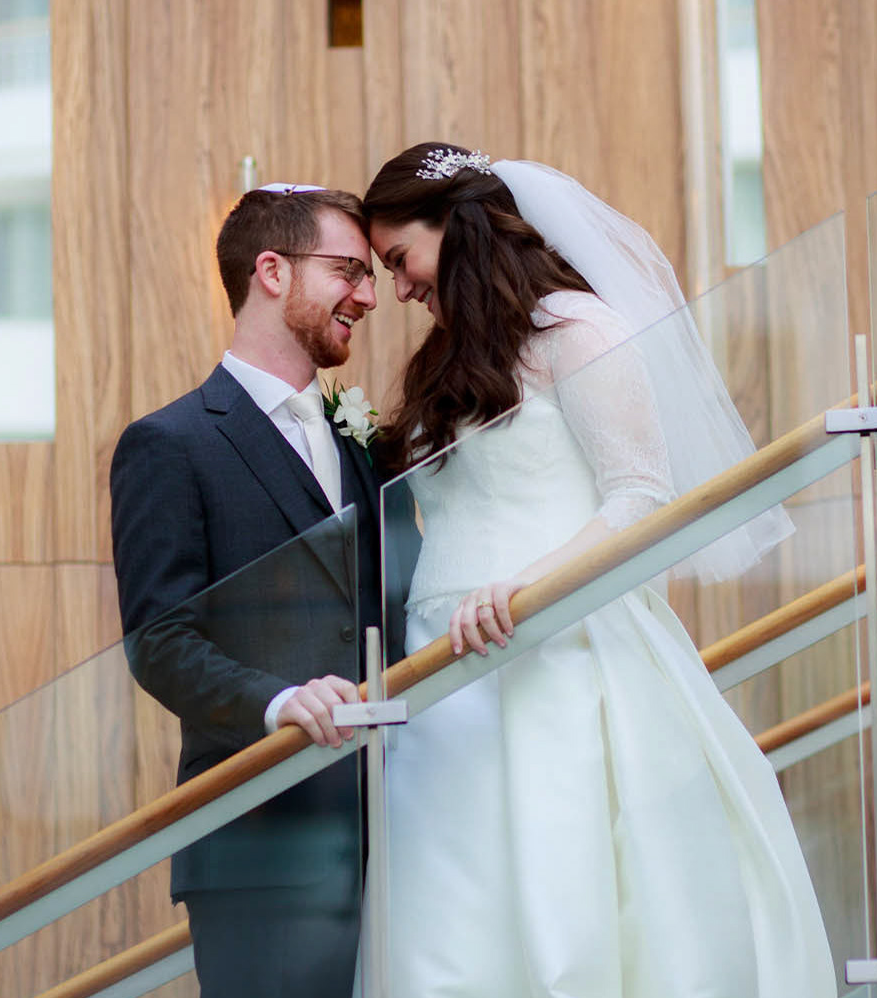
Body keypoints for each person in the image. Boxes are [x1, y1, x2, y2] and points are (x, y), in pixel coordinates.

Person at [362, 144, 836, 997]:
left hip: (554, 640)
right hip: (443, 668)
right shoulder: (442, 361)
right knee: (451, 911)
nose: (397, 288)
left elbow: (639, 495)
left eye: (400, 259)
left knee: (570, 887)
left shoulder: (576, 329)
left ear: (457, 228)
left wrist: (529, 584)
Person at [109, 183, 413, 998]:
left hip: (398, 833)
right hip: (258, 839)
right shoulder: (168, 444)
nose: (368, 297)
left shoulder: (364, 442)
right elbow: (159, 643)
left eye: (371, 276)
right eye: (348, 271)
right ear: (272, 271)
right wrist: (279, 704)